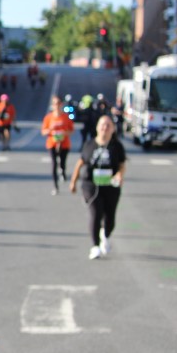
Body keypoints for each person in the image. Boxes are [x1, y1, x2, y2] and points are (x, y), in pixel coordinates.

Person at [70, 115, 127, 260]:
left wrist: (119, 175)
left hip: (110, 186)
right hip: (91, 184)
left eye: (108, 125)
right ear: (97, 127)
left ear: (113, 129)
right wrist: (73, 181)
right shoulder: (89, 145)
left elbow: (122, 165)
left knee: (110, 218)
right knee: (96, 213)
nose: (105, 128)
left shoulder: (117, 146)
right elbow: (80, 163)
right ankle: (95, 246)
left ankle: (105, 235)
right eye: (102, 124)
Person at [41, 95, 75, 195]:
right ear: (52, 105)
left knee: (62, 162)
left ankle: (63, 170)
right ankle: (55, 186)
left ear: (61, 104)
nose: (57, 105)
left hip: (64, 144)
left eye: (58, 103)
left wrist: (64, 133)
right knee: (54, 164)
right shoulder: (48, 117)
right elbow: (43, 131)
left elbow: (72, 130)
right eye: (55, 104)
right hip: (52, 143)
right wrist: (50, 130)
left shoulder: (66, 117)